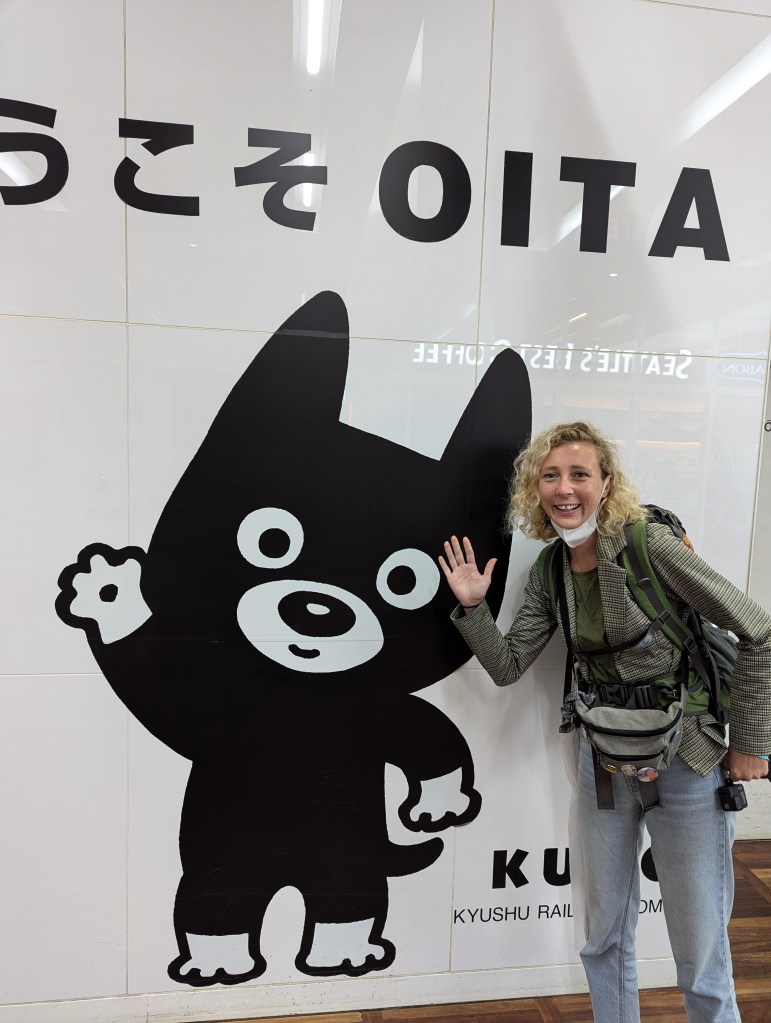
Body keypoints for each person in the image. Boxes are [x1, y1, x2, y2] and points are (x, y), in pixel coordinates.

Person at [439, 421, 771, 1023]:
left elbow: (759, 628)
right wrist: (473, 607)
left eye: (579, 474)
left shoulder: (649, 546)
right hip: (604, 763)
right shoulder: (552, 569)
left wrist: (752, 744)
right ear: (535, 489)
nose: (564, 489)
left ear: (607, 483)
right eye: (550, 476)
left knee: (700, 951)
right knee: (604, 937)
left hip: (687, 760)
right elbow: (508, 666)